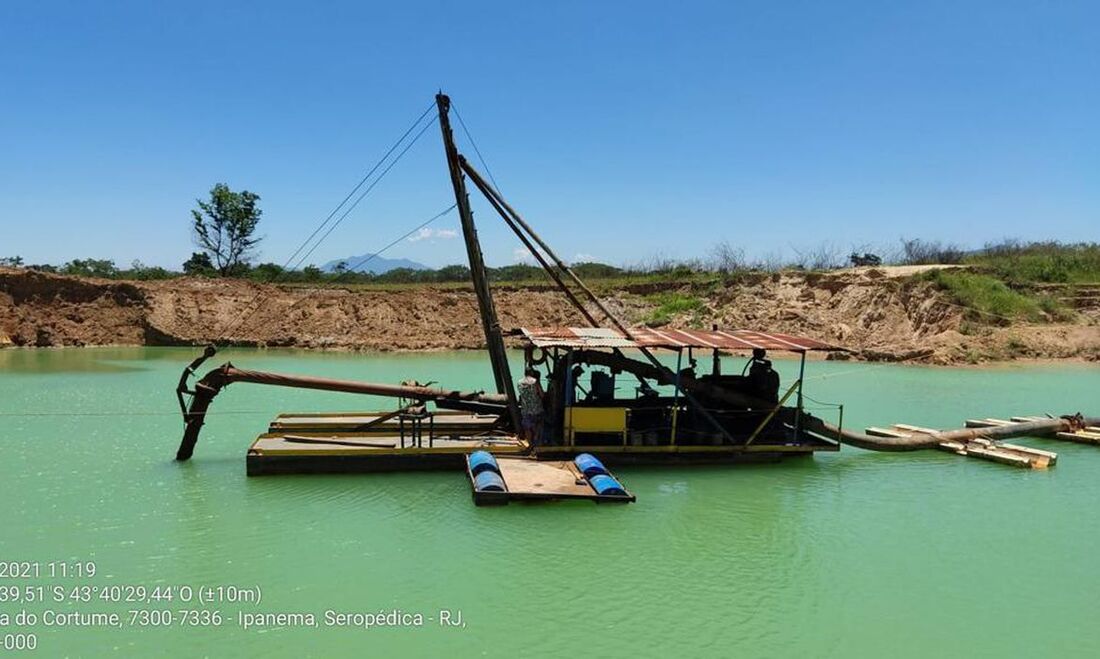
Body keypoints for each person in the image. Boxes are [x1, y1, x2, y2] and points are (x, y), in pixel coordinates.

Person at [517, 368, 545, 445]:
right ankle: (536, 438)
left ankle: (530, 443)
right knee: (539, 423)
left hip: (525, 409)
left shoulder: (519, 382)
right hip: (537, 409)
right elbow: (542, 395)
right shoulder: (535, 382)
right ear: (531, 372)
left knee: (527, 427)